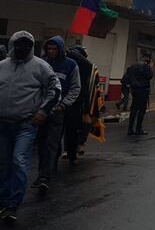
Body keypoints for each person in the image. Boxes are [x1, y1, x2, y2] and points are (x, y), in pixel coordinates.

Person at [0, 31, 61, 224]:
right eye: (19, 44)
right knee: (3, 164)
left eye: (27, 45)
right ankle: (3, 199)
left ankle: (12, 204)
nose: (22, 48)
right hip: (3, 124)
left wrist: (43, 112)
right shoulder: (2, 66)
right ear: (12, 45)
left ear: (32, 46)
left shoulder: (41, 67)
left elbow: (55, 89)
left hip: (26, 124)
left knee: (18, 160)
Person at [33, 37, 81, 194]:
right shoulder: (41, 63)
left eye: (54, 49)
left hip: (58, 112)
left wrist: (63, 105)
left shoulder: (70, 65)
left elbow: (75, 87)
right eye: (49, 48)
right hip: (41, 111)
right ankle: (44, 170)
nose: (51, 51)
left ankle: (44, 177)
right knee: (40, 143)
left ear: (60, 49)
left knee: (51, 143)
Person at [64, 45, 95, 158]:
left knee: (84, 123)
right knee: (71, 126)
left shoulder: (85, 67)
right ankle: (71, 148)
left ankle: (78, 144)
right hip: (72, 99)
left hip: (82, 99)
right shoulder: (67, 65)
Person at [124, 55, 153, 135]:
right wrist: (150, 68)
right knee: (141, 111)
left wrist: (130, 85)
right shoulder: (146, 67)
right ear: (148, 61)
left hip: (135, 91)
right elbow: (150, 76)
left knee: (133, 110)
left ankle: (130, 129)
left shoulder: (133, 67)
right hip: (143, 91)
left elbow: (126, 77)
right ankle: (138, 128)